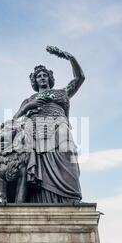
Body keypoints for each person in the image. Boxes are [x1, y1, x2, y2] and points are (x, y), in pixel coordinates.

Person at [13, 46, 85, 203]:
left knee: (69, 153)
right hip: (36, 131)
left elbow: (80, 78)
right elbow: (14, 121)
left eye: (45, 75)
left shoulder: (62, 93)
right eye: (39, 76)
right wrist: (27, 107)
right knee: (38, 163)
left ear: (50, 78)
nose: (42, 77)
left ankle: (71, 197)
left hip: (59, 126)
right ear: (35, 80)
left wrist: (69, 56)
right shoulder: (29, 99)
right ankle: (41, 199)